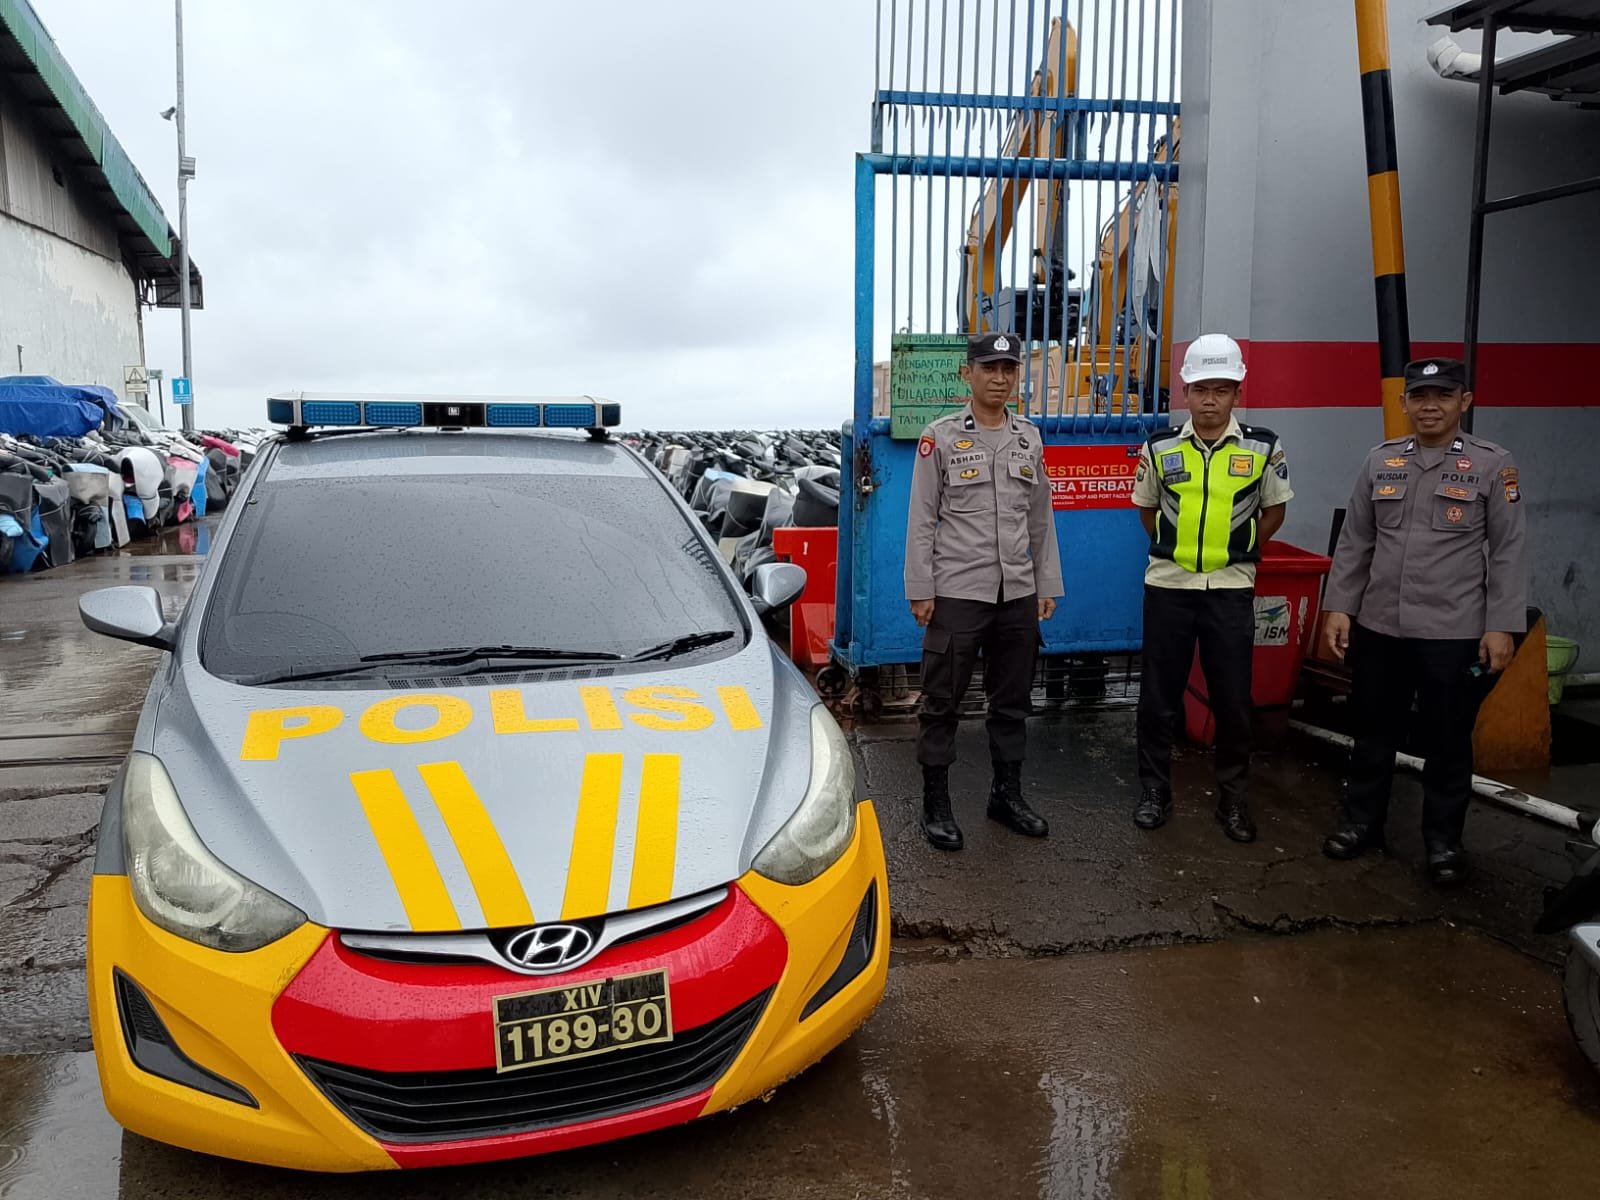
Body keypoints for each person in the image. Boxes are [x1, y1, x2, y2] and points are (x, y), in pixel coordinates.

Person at [1320, 356, 1526, 885]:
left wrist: (1501, 625)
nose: (1430, 406)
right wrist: (1339, 607)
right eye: (1419, 396)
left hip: (1452, 632)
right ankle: (1362, 824)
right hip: (1381, 627)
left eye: (1443, 396)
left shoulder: (1492, 464)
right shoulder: (1381, 461)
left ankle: (1443, 843)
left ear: (1464, 401)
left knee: (1448, 740)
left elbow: (1507, 551)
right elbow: (1356, 541)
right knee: (1372, 733)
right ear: (1404, 402)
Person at [904, 331, 1064, 851]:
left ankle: (1006, 796)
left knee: (1012, 702)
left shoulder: (1028, 438)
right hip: (957, 591)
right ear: (967, 374)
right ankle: (936, 802)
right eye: (989, 368)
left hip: (1016, 592)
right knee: (941, 702)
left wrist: (1046, 583)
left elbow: (1040, 518)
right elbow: (921, 518)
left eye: (1008, 369)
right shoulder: (941, 437)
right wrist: (921, 588)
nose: (1000, 378)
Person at [1130, 333, 1293, 843]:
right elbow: (1147, 511)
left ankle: (1233, 800)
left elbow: (1274, 511)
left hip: (1230, 588)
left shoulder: (1263, 446)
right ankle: (1154, 792)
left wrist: (1237, 550)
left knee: (1232, 702)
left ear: (1237, 393)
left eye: (1221, 390)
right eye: (1201, 389)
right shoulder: (1159, 446)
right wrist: (1177, 552)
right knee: (1158, 700)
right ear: (1185, 392)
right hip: (1169, 587)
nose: (1210, 400)